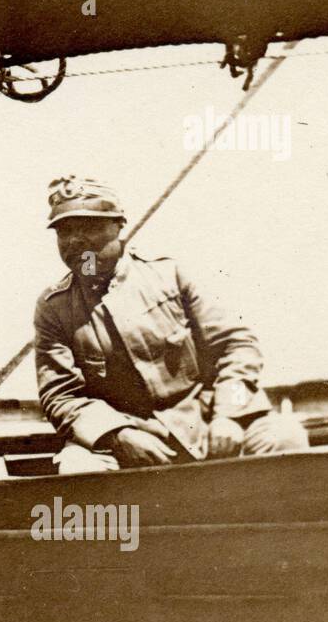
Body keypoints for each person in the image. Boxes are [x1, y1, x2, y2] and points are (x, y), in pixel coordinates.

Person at [32, 175, 308, 474]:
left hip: (209, 420)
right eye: (65, 231)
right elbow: (61, 395)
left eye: (89, 227)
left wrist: (228, 414)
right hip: (133, 436)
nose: (75, 241)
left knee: (285, 438)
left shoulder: (170, 275)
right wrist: (118, 436)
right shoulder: (54, 308)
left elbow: (237, 347)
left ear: (119, 226)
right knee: (79, 469)